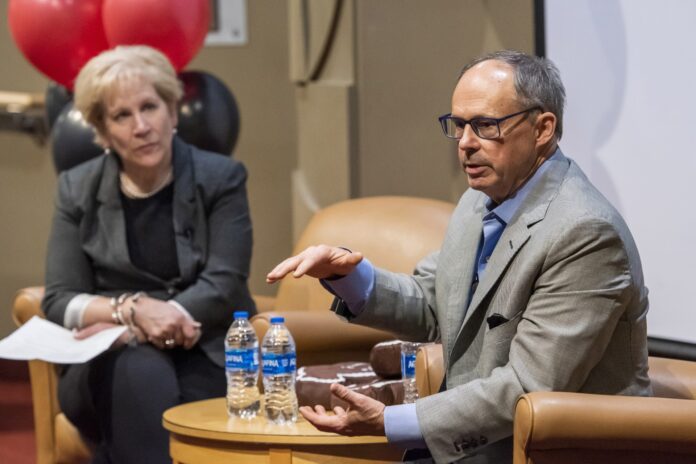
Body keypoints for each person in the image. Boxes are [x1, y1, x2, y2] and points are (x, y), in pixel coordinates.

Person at [266, 50, 651, 464]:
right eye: (459, 125)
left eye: (486, 125)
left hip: (543, 452)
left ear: (543, 129)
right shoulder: (477, 202)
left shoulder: (585, 233)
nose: (466, 143)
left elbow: (528, 384)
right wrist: (350, 277)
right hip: (470, 446)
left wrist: (393, 421)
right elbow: (435, 302)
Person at [42, 45, 256, 464]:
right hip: (107, 354)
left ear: (172, 113)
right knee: (138, 373)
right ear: (102, 132)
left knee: (159, 397)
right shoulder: (76, 188)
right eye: (122, 116)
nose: (142, 126)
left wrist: (148, 325)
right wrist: (131, 310)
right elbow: (59, 300)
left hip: (201, 349)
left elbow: (224, 283)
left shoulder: (221, 178)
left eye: (150, 107)